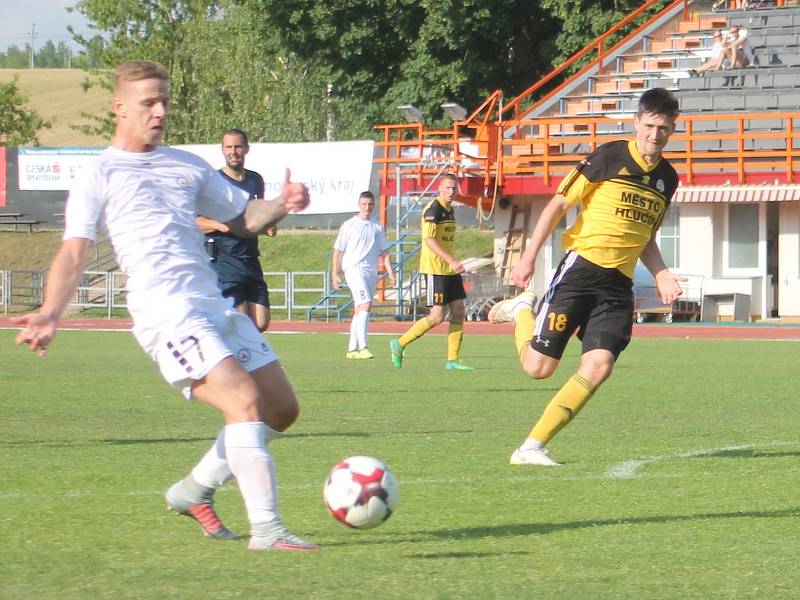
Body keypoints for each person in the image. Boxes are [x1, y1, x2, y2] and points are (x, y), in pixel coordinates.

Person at [12, 60, 318, 551]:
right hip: (165, 311)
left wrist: (281, 203)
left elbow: (244, 218)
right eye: (148, 102)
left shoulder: (186, 165)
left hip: (212, 303)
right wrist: (51, 312)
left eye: (165, 102)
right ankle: (268, 530)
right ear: (119, 108)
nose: (160, 111)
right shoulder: (100, 174)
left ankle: (193, 491)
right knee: (243, 401)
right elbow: (74, 250)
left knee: (281, 410)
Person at [488, 88, 686, 466]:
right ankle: (521, 312)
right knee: (538, 369)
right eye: (649, 126)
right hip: (580, 270)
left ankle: (531, 446)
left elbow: (647, 238)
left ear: (673, 129)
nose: (655, 135)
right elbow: (558, 204)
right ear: (637, 122)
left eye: (663, 128)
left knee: (599, 366)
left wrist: (661, 274)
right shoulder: (609, 157)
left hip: (617, 285)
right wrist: (527, 257)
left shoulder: (667, 179)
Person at [389, 173, 474, 371]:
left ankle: (453, 360)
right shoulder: (433, 210)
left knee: (459, 310)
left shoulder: (450, 211)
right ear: (439, 188)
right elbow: (429, 240)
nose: (451, 191)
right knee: (437, 316)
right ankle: (399, 343)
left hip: (449, 270)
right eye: (448, 188)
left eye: (454, 188)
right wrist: (452, 260)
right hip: (436, 269)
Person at [196, 128, 275, 333]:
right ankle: (237, 361)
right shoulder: (213, 181)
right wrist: (219, 226)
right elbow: (195, 221)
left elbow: (258, 214)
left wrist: (267, 226)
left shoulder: (255, 180)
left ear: (246, 149)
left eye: (238, 146)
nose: (233, 151)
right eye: (229, 147)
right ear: (222, 150)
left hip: (250, 258)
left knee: (261, 322)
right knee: (240, 322)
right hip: (225, 260)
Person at [332, 191, 395, 359]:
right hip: (353, 269)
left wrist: (390, 272)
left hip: (370, 270)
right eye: (364, 204)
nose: (367, 207)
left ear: (374, 205)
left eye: (370, 204)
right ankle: (364, 347)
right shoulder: (349, 225)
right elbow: (338, 250)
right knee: (365, 303)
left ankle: (352, 349)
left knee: (360, 309)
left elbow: (384, 251)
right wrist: (335, 274)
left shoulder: (377, 226)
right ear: (359, 204)